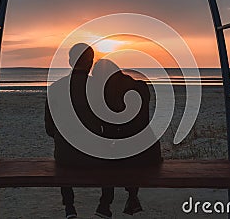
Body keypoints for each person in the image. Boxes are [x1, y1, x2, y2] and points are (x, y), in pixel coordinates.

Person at [45, 43, 114, 219]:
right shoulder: (100, 89)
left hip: (65, 157)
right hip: (95, 157)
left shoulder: (54, 88)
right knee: (112, 154)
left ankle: (69, 207)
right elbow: (109, 127)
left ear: (70, 61)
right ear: (91, 62)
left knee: (64, 147)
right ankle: (105, 206)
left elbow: (49, 129)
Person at [90, 59, 163, 217]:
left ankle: (105, 202)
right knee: (130, 148)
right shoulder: (141, 87)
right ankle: (132, 196)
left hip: (128, 154)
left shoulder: (104, 97)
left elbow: (107, 130)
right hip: (149, 153)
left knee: (108, 156)